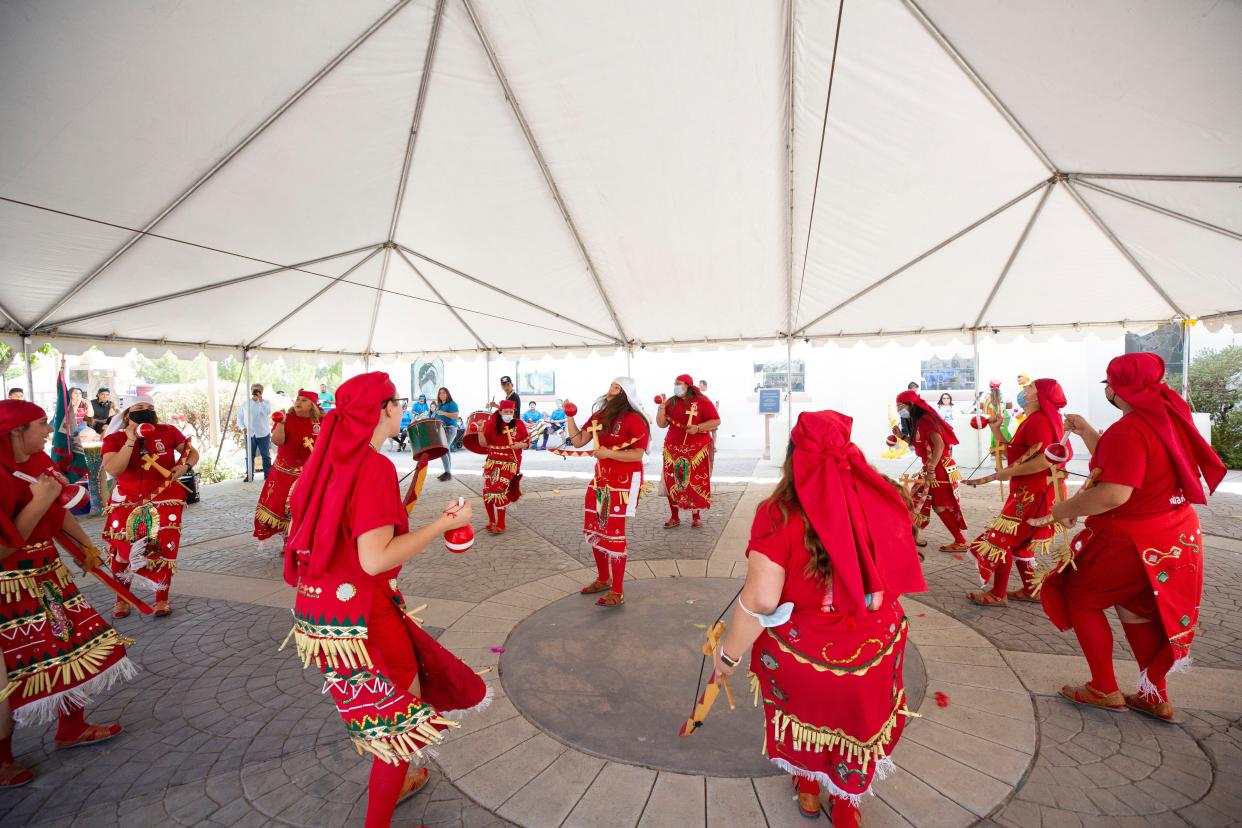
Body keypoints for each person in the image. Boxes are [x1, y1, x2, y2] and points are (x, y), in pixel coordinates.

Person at [281, 372, 487, 827]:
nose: (403, 409)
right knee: (396, 724)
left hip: (324, 610)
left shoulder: (330, 458)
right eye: (399, 402)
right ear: (385, 410)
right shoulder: (372, 467)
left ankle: (397, 782)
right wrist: (442, 526)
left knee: (380, 713)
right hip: (364, 614)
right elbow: (374, 560)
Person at [713, 410, 925, 824]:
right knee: (856, 730)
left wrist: (728, 655)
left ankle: (808, 790)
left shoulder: (779, 513)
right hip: (875, 650)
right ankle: (846, 804)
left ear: (792, 456)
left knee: (804, 716)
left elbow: (760, 601)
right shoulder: (884, 494)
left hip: (808, 655)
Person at [1033, 353, 1224, 721]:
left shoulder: (1131, 429)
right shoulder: (1166, 419)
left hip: (1133, 536)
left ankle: (1103, 687)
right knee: (1134, 607)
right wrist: (1089, 433)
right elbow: (1125, 469)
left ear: (1117, 389)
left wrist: (1062, 511)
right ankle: (1154, 694)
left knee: (1081, 598)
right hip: (1173, 532)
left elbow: (1114, 493)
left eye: (1107, 384)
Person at [0, 400, 136, 787]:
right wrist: (40, 500)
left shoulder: (39, 460)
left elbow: (59, 512)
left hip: (48, 572)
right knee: (10, 671)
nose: (50, 430)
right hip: (8, 586)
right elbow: (3, 549)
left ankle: (71, 727)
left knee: (70, 644)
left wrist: (86, 548)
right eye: (42, 424)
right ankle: (2, 758)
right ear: (15, 431)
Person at [965, 379, 1069, 605]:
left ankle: (997, 593)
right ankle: (1032, 590)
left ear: (1038, 396)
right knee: (1021, 543)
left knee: (1000, 538)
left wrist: (1008, 473)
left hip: (1033, 492)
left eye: (1030, 388)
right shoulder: (1033, 420)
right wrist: (995, 429)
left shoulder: (1039, 421)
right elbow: (1019, 452)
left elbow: (1043, 461)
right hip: (1031, 489)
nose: (1024, 390)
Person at [101, 396, 198, 617]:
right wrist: (131, 439)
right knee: (123, 551)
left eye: (150, 408)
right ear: (127, 414)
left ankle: (161, 598)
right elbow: (114, 470)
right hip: (126, 499)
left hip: (165, 496)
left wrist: (184, 467)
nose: (146, 411)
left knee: (163, 549)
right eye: (139, 408)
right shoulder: (114, 438)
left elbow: (191, 452)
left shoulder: (168, 431)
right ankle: (122, 599)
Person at [566, 378, 650, 608]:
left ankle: (618, 590)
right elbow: (579, 441)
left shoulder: (635, 419)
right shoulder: (601, 415)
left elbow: (637, 455)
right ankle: (603, 579)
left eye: (615, 386)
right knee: (595, 526)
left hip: (623, 483)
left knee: (613, 532)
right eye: (611, 385)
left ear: (625, 392)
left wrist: (609, 454)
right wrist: (570, 416)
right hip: (601, 480)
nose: (610, 388)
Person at [894, 390, 968, 551]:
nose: (899, 409)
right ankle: (910, 535)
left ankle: (960, 540)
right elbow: (918, 444)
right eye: (897, 406)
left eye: (901, 406)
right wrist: (901, 436)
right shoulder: (919, 421)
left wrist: (932, 468)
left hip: (939, 467)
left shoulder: (926, 420)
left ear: (911, 405)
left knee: (938, 504)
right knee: (916, 498)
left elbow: (939, 445)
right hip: (933, 466)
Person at [253, 390, 322, 543]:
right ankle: (288, 538)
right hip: (286, 471)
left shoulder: (321, 420)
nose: (299, 402)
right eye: (298, 399)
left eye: (304, 400)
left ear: (312, 405)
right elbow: (277, 441)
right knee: (284, 507)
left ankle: (307, 538)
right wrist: (282, 423)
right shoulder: (287, 418)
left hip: (312, 471)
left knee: (310, 506)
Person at [656, 373, 720, 529]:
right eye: (675, 383)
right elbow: (661, 424)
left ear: (688, 385)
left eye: (679, 383)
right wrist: (661, 408)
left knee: (694, 481)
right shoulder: (671, 401)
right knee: (673, 481)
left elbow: (716, 420)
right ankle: (674, 516)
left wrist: (698, 428)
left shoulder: (703, 401)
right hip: (673, 449)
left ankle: (696, 516)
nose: (676, 386)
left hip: (697, 450)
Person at [478, 400, 529, 533]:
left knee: (499, 490)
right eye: (506, 412)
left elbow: (527, 442)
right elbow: (483, 443)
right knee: (487, 491)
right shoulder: (492, 424)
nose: (508, 414)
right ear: (500, 411)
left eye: (511, 412)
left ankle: (501, 524)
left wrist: (519, 445)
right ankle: (491, 521)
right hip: (493, 462)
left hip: (510, 463)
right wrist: (479, 431)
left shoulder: (519, 424)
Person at [237, 383, 272, 481]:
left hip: (263, 433)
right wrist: (242, 427)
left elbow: (266, 413)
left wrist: (261, 401)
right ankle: (249, 475)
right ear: (251, 391)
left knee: (265, 455)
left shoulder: (266, 403)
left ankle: (268, 475)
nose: (256, 392)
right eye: (255, 390)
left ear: (262, 392)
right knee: (249, 456)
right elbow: (239, 417)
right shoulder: (245, 403)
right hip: (250, 434)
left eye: (259, 390)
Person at [433, 387, 460, 481]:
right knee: (446, 449)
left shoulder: (452, 404)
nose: (442, 394)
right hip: (441, 430)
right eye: (440, 393)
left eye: (444, 393)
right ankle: (448, 472)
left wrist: (443, 413)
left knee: (442, 449)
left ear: (447, 394)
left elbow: (456, 415)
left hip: (450, 429)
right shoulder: (439, 405)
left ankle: (447, 472)